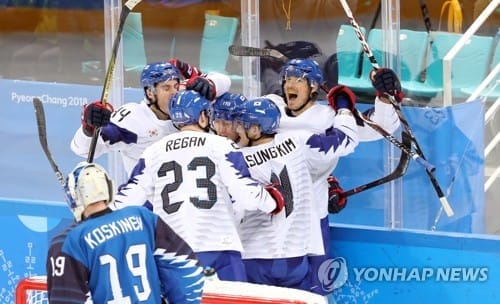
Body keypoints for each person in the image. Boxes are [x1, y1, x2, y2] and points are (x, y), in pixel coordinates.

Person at [112, 89, 285, 282]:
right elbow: (246, 194)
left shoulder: (153, 152)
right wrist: (272, 201)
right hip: (219, 249)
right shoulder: (221, 146)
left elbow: (128, 197)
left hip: (170, 253)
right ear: (203, 116)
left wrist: (95, 216)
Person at [263, 58, 401, 297]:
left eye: (298, 80)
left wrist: (386, 97)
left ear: (314, 87)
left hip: (311, 222)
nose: (289, 85)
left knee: (314, 295)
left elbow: (380, 127)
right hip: (265, 221)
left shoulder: (329, 117)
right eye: (287, 79)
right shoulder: (269, 108)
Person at [232, 96, 358, 291]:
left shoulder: (236, 159)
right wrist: (343, 109)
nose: (236, 130)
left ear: (255, 130)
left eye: (241, 125)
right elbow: (345, 140)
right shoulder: (298, 141)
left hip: (255, 257)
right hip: (297, 256)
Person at [46, 162, 204, 304]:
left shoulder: (68, 242)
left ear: (72, 196)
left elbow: (67, 299)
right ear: (108, 188)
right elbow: (186, 267)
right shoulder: (143, 218)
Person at [70, 60, 231, 175]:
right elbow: (82, 150)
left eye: (176, 86)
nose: (174, 93)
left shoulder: (187, 101)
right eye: (166, 88)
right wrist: (88, 128)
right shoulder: (132, 120)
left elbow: (225, 81)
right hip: (148, 209)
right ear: (150, 93)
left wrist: (210, 83)